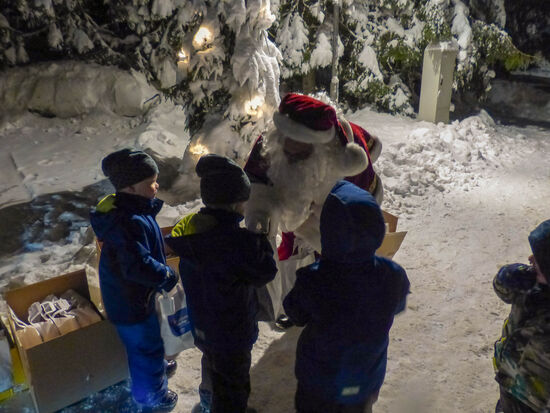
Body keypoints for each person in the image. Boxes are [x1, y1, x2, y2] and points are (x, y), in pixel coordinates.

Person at [244, 92, 383, 325]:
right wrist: (261, 209)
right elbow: (254, 179)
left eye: (301, 152)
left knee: (333, 261)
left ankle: (331, 308)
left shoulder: (345, 160)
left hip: (332, 214)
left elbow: (363, 210)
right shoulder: (269, 143)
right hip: (292, 209)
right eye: (287, 146)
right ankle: (294, 307)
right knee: (289, 252)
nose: (291, 154)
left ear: (319, 145)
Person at [283, 180, 410, 413]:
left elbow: (295, 313)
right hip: (365, 378)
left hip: (319, 382)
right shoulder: (392, 275)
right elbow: (397, 305)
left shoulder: (314, 279)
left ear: (328, 231)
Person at [165, 154, 278, 413]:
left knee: (213, 364)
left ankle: (209, 398)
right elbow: (265, 272)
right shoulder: (238, 243)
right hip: (232, 332)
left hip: (204, 326)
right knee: (235, 384)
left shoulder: (193, 233)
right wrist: (261, 241)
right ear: (237, 203)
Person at [89, 148, 179, 412]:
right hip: (130, 303)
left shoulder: (135, 211)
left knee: (149, 345)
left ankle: (154, 370)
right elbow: (138, 265)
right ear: (130, 187)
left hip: (135, 297)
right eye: (151, 182)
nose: (156, 186)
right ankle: (152, 396)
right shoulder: (127, 222)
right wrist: (165, 275)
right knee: (146, 349)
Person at [493, 219, 550, 413]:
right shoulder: (529, 283)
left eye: (538, 260)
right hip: (509, 377)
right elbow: (505, 293)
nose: (530, 259)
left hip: (537, 401)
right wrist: (506, 278)